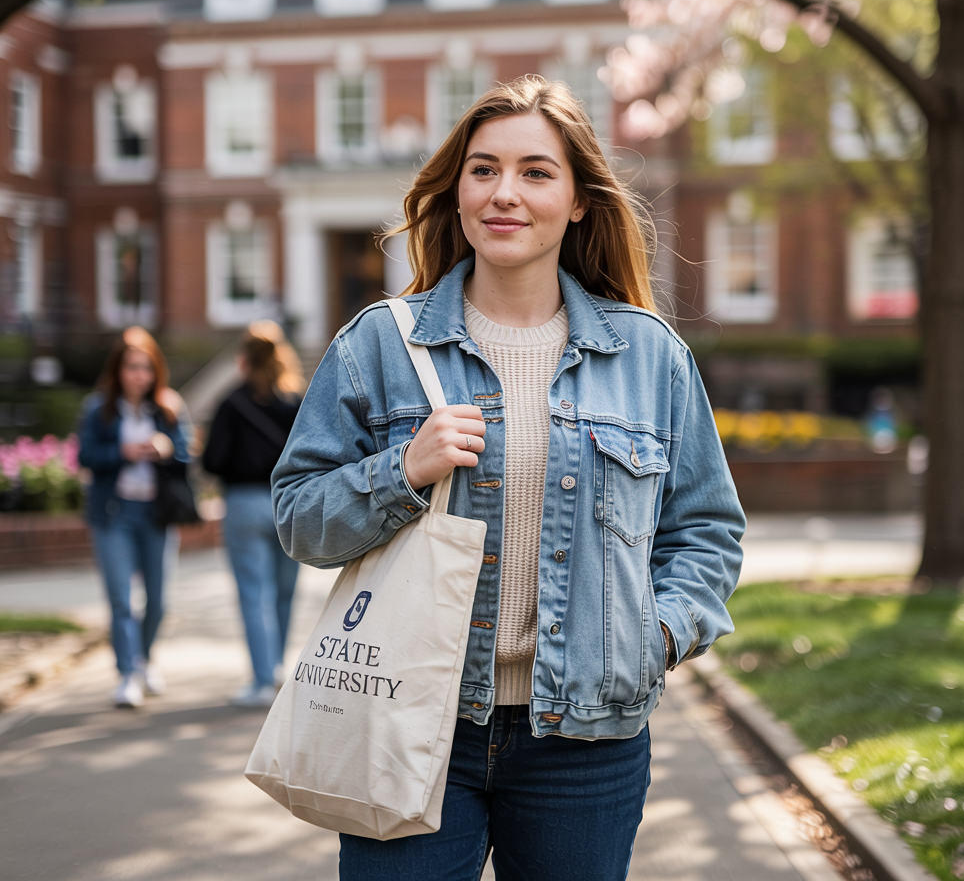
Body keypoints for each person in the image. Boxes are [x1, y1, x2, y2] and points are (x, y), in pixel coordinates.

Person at [273, 76, 745, 881]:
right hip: (410, 722)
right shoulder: (379, 346)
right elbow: (297, 519)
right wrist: (403, 470)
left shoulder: (650, 358)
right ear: (456, 192)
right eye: (484, 169)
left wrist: (655, 635)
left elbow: (705, 532)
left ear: (577, 201)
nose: (505, 193)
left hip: (587, 744)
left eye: (535, 172)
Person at [78, 326, 191, 709]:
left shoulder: (169, 406)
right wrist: (122, 451)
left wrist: (166, 447)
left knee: (159, 601)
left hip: (156, 514)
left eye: (145, 367)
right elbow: (85, 456)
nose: (138, 375)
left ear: (155, 370)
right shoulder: (98, 408)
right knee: (121, 599)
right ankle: (127, 673)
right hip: (113, 513)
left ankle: (144, 659)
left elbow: (187, 454)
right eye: (131, 367)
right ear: (118, 370)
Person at [203, 322, 305, 708]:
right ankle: (277, 667)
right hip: (288, 504)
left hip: (245, 503)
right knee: (284, 592)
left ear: (243, 359)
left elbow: (212, 460)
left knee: (253, 594)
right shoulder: (295, 401)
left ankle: (262, 680)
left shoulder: (232, 402)